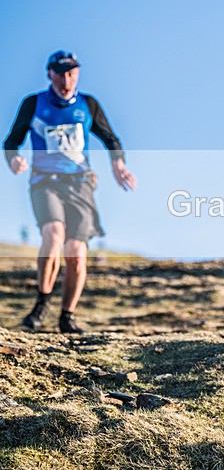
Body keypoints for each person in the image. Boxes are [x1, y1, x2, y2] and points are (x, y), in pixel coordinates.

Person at [3, 51, 137, 334]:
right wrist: (13, 159)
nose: (67, 79)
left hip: (80, 184)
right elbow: (11, 141)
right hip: (45, 183)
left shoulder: (88, 104)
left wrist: (118, 164)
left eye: (72, 73)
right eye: (61, 73)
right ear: (49, 74)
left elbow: (111, 138)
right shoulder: (33, 103)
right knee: (53, 235)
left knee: (76, 253)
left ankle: (67, 316)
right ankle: (41, 305)